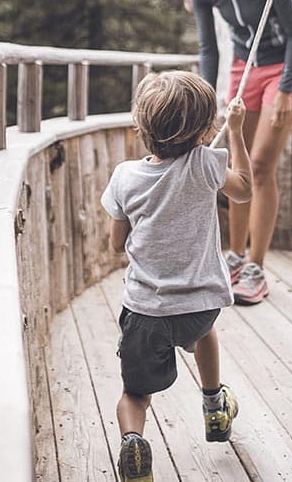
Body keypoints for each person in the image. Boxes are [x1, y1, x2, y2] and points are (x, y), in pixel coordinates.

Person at [101, 71, 252, 482]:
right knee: (204, 334)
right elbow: (243, 191)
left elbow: (117, 244)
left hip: (145, 311)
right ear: (205, 131)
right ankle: (214, 406)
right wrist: (236, 132)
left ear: (142, 127)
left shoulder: (124, 177)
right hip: (200, 307)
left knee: (135, 395)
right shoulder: (204, 165)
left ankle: (133, 444)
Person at [187, 0, 292, 305]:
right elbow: (209, 49)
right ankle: (234, 256)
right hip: (244, 68)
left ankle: (256, 266)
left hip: (285, 67)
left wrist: (287, 91)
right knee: (234, 165)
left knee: (259, 167)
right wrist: (206, 101)